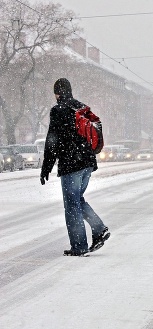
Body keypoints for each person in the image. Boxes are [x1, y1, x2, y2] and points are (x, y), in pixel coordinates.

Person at [40, 78, 110, 256]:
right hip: (87, 162)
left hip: (72, 163)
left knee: (72, 206)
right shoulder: (81, 107)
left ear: (57, 93)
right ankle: (99, 229)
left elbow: (52, 140)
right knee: (77, 200)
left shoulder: (58, 110)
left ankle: (79, 246)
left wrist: (46, 166)